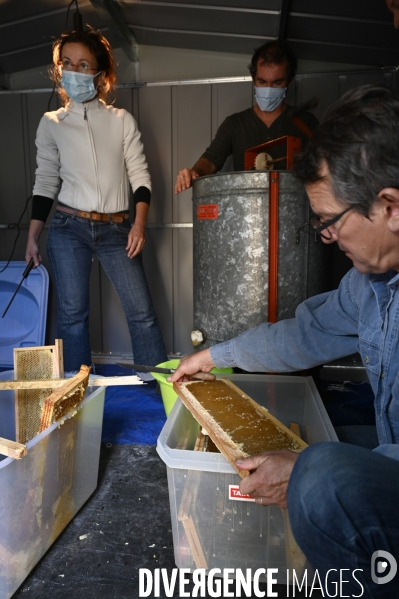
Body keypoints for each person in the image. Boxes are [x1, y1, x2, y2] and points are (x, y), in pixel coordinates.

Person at [169, 85, 399, 596]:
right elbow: (307, 332)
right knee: (316, 441)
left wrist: (302, 476)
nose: (329, 237)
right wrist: (214, 355)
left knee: (320, 476)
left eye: (330, 222)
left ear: (390, 207)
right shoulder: (370, 280)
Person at [26, 27, 167, 373]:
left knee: (142, 313)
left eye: (83, 64)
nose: (74, 71)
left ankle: (157, 385)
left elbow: (140, 176)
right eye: (67, 64)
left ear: (100, 74)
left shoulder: (121, 121)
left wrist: (139, 224)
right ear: (60, 71)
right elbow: (45, 182)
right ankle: (78, 390)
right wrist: (32, 236)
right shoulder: (52, 123)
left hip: (118, 227)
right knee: (73, 315)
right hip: (67, 226)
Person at [175, 40, 318, 194]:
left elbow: (324, 166)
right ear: (253, 79)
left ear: (289, 82)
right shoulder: (235, 124)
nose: (268, 90)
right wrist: (194, 172)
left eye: (277, 83)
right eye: (262, 82)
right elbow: (210, 159)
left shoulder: (305, 122)